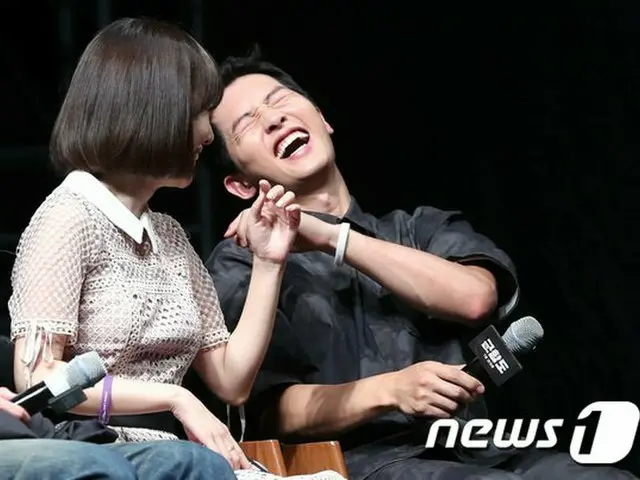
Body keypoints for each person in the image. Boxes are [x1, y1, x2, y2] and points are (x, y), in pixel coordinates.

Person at [205, 49, 638, 480]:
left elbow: (474, 298)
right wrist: (389, 391)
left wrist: (332, 236)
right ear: (240, 185)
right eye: (247, 123)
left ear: (322, 118)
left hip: (479, 452)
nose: (273, 118)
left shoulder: (419, 228)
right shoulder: (242, 260)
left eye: (279, 100)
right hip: (362, 465)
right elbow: (264, 409)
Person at [8, 18, 344, 480]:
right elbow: (39, 381)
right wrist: (174, 397)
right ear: (156, 108)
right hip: (101, 454)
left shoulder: (167, 234)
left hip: (175, 458)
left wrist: (269, 261)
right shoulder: (68, 217)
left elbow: (230, 380)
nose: (209, 132)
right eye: (201, 112)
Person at [0, 386, 236, 480]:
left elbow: (234, 389)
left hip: (26, 430)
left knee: (194, 462)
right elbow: (37, 369)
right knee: (92, 465)